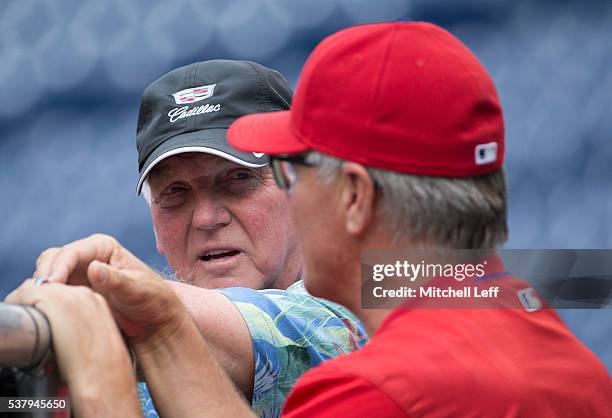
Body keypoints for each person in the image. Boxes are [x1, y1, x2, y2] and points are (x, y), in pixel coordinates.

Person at [7, 22, 611, 417]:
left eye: (248, 178)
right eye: (175, 195)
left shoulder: (368, 374)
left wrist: (100, 322)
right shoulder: (547, 337)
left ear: (352, 197)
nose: (208, 216)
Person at [26, 59, 367, 418]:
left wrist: (107, 299)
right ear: (156, 226)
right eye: (175, 191)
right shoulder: (123, 346)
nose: (206, 218)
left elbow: (277, 329)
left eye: (237, 178)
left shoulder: (373, 297)